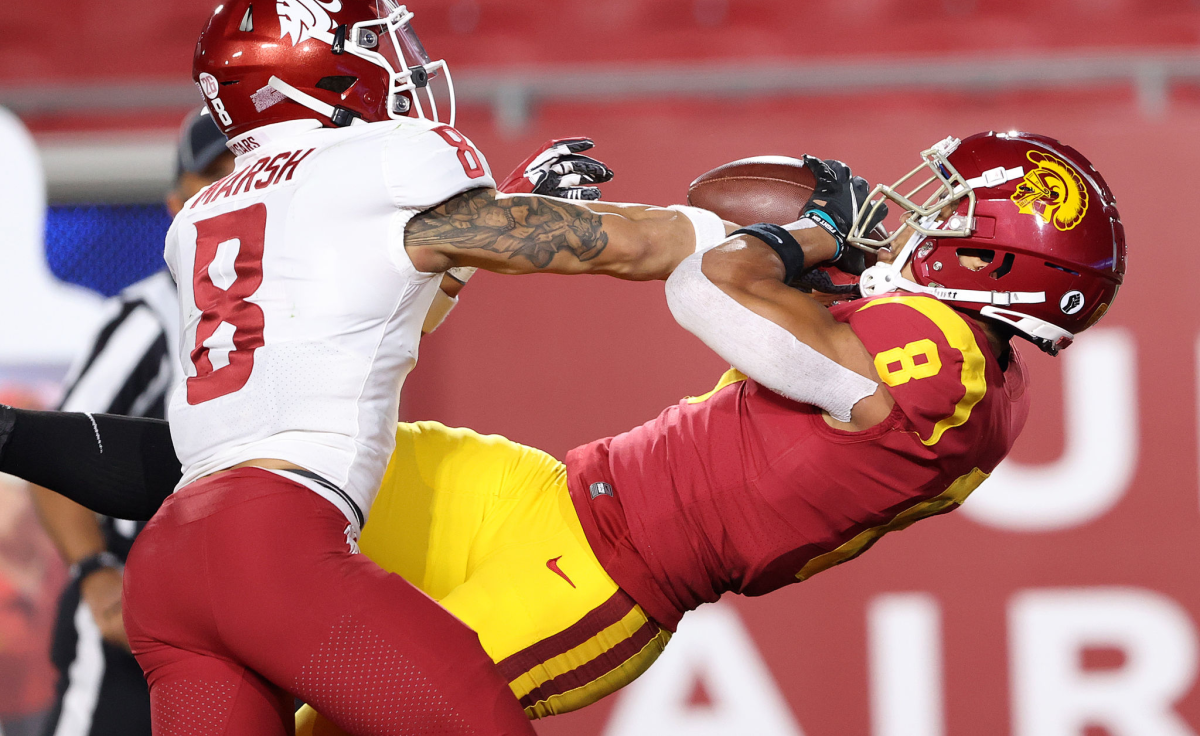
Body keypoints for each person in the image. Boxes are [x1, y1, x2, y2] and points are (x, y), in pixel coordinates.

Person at [0, 133, 1126, 732]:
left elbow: (709, 293)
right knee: (260, 458)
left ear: (997, 258)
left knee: (342, 719)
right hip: (550, 491)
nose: (919, 215)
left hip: (602, 580)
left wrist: (814, 236)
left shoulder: (950, 370)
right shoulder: (965, 360)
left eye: (949, 212)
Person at [107, 0, 746, 736]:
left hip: (170, 561)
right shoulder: (386, 158)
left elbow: (367, 310)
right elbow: (602, 247)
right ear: (316, 65)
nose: (397, 60)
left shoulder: (201, 211)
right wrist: (735, 237)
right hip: (272, 546)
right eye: (373, 42)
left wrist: (486, 227)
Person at [29, 109, 234, 736]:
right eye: (212, 179)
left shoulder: (303, 317)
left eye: (244, 177)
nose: (228, 196)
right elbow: (52, 452)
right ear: (176, 205)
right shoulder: (154, 316)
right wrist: (95, 574)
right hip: (142, 622)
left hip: (239, 618)